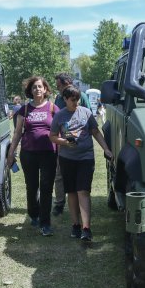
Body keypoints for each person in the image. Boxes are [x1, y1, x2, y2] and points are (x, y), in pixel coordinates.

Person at [50, 85, 112, 242]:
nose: (76, 103)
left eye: (77, 99)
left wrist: (106, 149)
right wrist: (64, 142)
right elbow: (52, 136)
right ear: (65, 99)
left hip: (85, 157)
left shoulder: (86, 112)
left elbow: (96, 132)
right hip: (67, 159)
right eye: (72, 100)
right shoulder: (59, 116)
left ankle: (86, 228)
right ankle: (75, 225)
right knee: (71, 192)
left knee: (83, 191)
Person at [6, 77, 59, 236]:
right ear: (30, 90)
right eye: (34, 87)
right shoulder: (24, 109)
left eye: (40, 87)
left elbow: (62, 130)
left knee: (46, 187)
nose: (37, 89)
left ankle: (45, 223)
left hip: (49, 153)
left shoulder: (52, 108)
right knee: (32, 186)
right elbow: (17, 133)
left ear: (45, 89)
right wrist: (11, 153)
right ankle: (33, 214)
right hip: (28, 153)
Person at [51, 74, 91, 217]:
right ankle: (60, 203)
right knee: (59, 175)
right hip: (63, 142)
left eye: (59, 85)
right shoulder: (58, 98)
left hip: (80, 145)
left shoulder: (83, 96)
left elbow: (88, 119)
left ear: (66, 83)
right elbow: (57, 118)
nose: (58, 88)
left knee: (79, 178)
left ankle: (80, 206)